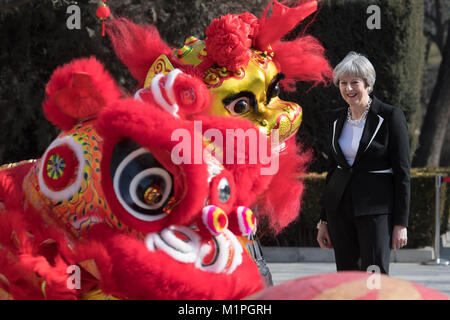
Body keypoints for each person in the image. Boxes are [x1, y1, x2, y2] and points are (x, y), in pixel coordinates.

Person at [316, 51, 410, 274]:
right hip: (339, 210)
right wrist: (323, 220)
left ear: (368, 84)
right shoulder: (336, 119)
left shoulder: (390, 116)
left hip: (376, 209)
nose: (348, 89)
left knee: (374, 273)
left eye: (354, 82)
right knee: (347, 276)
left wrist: (401, 224)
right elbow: (333, 171)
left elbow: (402, 172)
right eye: (343, 83)